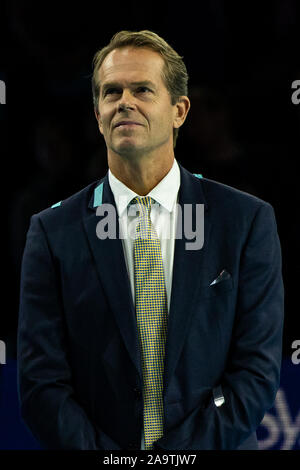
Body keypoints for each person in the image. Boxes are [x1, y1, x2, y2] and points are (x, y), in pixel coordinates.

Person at [17, 30, 284, 450]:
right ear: (97, 115)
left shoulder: (246, 220)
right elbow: (41, 385)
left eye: (142, 89)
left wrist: (171, 460)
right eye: (111, 92)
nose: (125, 101)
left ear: (179, 110)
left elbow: (256, 371)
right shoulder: (52, 233)